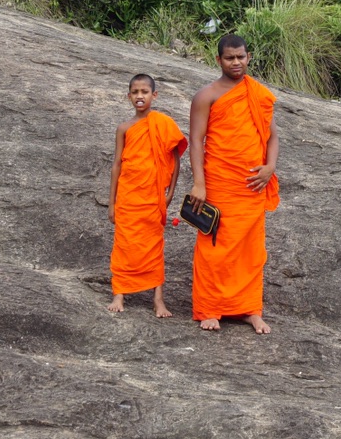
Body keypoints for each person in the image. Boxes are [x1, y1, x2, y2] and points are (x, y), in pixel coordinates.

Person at [187, 34, 280, 333]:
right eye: (230, 58)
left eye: (241, 57)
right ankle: (210, 308)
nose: (236, 62)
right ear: (218, 60)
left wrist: (270, 167)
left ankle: (249, 309)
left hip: (252, 185)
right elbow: (196, 141)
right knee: (215, 245)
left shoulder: (259, 93)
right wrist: (198, 184)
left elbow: (273, 135)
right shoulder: (207, 96)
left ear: (248, 57)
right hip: (219, 182)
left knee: (251, 249)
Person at [107, 73, 187, 317]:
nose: (139, 97)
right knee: (123, 245)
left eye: (144, 92)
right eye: (135, 92)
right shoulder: (124, 128)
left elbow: (175, 160)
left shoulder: (163, 124)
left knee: (154, 247)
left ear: (154, 95)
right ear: (128, 96)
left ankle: (158, 300)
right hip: (129, 197)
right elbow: (116, 166)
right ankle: (119, 294)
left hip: (153, 197)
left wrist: (170, 193)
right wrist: (112, 203)